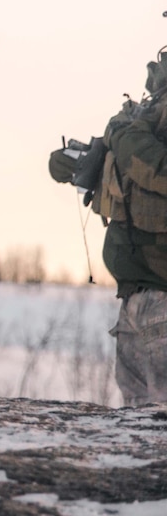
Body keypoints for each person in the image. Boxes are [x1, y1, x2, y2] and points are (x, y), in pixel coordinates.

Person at [97, 48, 167, 407]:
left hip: (161, 295)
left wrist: (125, 135)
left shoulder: (139, 125)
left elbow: (154, 165)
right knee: (136, 420)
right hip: (136, 293)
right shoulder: (151, 109)